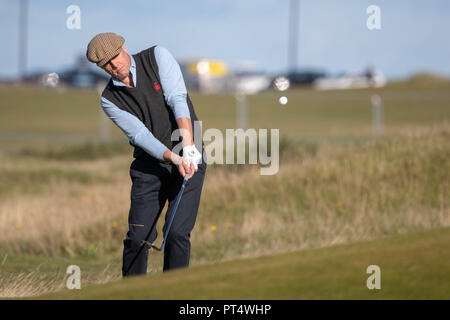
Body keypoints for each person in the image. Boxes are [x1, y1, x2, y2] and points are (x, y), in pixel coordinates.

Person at [86, 32, 206, 276]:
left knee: (176, 233)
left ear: (124, 47)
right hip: (149, 168)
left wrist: (189, 146)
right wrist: (174, 158)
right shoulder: (110, 100)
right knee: (138, 236)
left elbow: (177, 99)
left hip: (190, 154)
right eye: (106, 64)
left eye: (116, 56)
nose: (115, 65)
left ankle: (175, 291)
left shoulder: (157, 56)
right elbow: (141, 137)